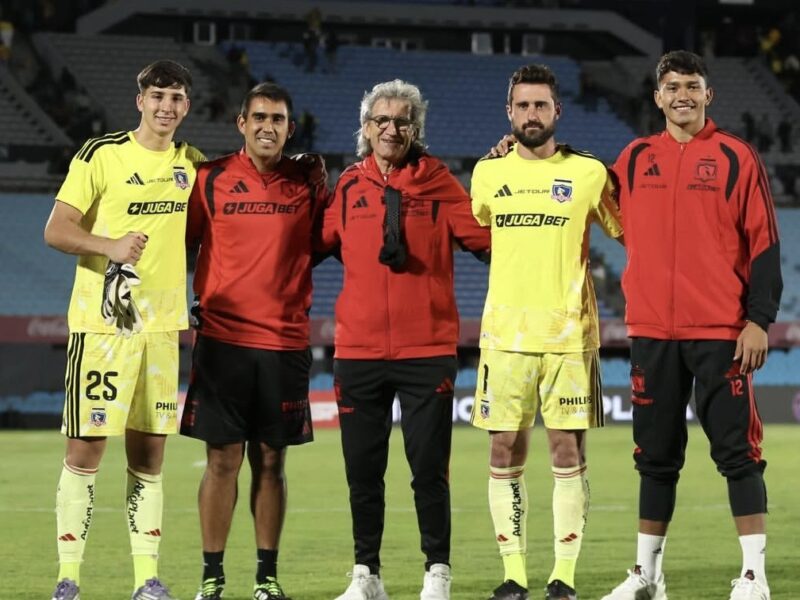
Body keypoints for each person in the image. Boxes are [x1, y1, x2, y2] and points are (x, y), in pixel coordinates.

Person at [601, 50, 782, 600]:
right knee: (654, 457)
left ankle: (754, 576)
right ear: (657, 97)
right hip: (651, 331)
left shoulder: (736, 157)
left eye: (693, 85)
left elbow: (766, 245)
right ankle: (648, 576)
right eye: (672, 86)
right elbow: (573, 190)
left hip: (721, 330)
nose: (682, 94)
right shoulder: (631, 159)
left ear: (709, 95)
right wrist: (517, 153)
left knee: (737, 452)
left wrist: (759, 320)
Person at [320, 79, 491, 600]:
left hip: (428, 351)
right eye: (381, 121)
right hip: (358, 352)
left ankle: (436, 570)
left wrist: (512, 174)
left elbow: (488, 242)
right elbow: (306, 247)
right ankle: (365, 574)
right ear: (366, 128)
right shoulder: (347, 185)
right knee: (363, 474)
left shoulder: (441, 183)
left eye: (401, 121)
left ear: (415, 129)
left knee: (428, 472)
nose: (391, 129)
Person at [43, 60, 204, 600]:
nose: (166, 106)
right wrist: (109, 246)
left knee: (149, 459)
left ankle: (146, 581)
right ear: (140, 100)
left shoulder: (192, 164)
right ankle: (68, 578)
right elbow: (57, 229)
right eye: (158, 95)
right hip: (103, 327)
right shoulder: (101, 154)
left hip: (161, 331)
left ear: (187, 106)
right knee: (85, 453)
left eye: (177, 98)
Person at [472, 64, 623, 600]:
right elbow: (478, 220)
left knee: (566, 454)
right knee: (504, 454)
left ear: (557, 111)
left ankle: (565, 574)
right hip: (505, 338)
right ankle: (514, 574)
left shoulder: (589, 172)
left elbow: (628, 228)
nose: (531, 114)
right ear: (508, 112)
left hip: (569, 337)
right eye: (522, 106)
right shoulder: (486, 175)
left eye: (540, 105)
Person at [180, 82, 328, 600]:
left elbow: (328, 241)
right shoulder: (210, 179)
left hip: (285, 344)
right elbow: (185, 243)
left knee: (272, 460)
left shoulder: (308, 181)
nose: (269, 126)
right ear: (240, 123)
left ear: (291, 128)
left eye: (279, 119)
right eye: (259, 117)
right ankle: (212, 577)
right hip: (222, 343)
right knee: (222, 460)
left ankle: (266, 577)